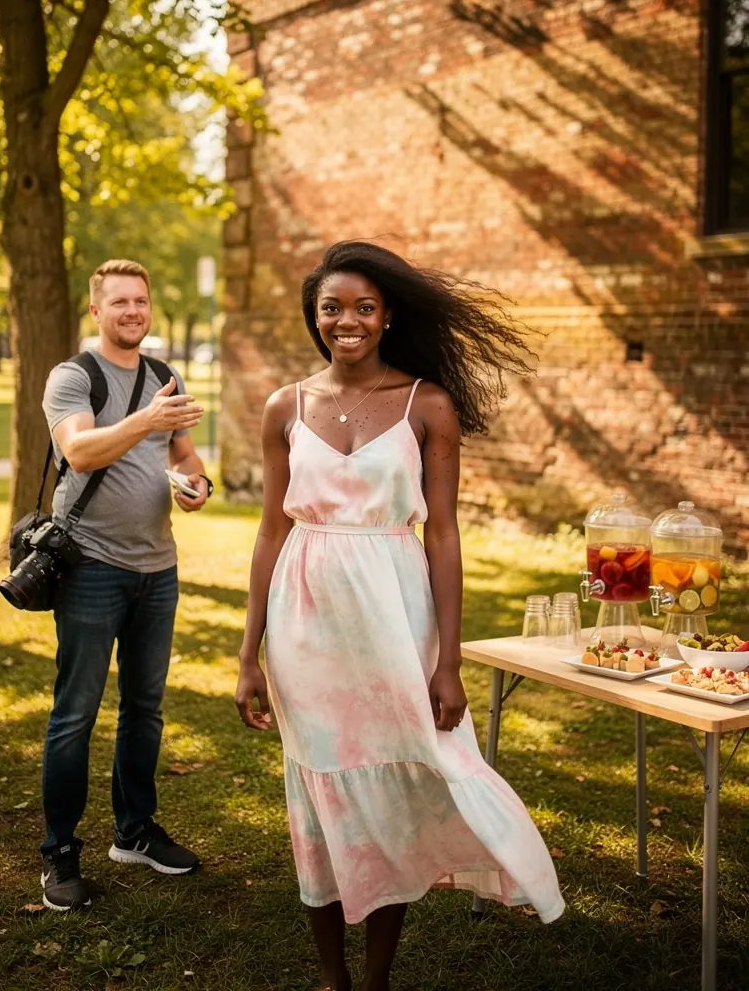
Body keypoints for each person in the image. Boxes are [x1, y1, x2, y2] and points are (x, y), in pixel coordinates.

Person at [234, 241, 564, 991]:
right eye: (332, 308)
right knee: (317, 789)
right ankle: (332, 976)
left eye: (363, 308)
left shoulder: (428, 405)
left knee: (404, 777)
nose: (346, 320)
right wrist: (249, 653)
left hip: (395, 616)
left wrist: (447, 660)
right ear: (314, 318)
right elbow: (269, 531)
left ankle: (376, 975)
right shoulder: (284, 406)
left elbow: (443, 534)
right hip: (305, 624)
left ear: (386, 318)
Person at [39, 259, 211, 911]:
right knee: (74, 716)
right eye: (120, 302)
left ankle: (134, 832)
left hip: (157, 570)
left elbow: (182, 453)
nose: (132, 311)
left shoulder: (164, 375)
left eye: (140, 301)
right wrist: (146, 419)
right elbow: (79, 452)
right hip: (90, 567)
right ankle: (59, 854)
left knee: (145, 710)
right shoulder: (73, 377)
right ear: (97, 311)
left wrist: (198, 483)